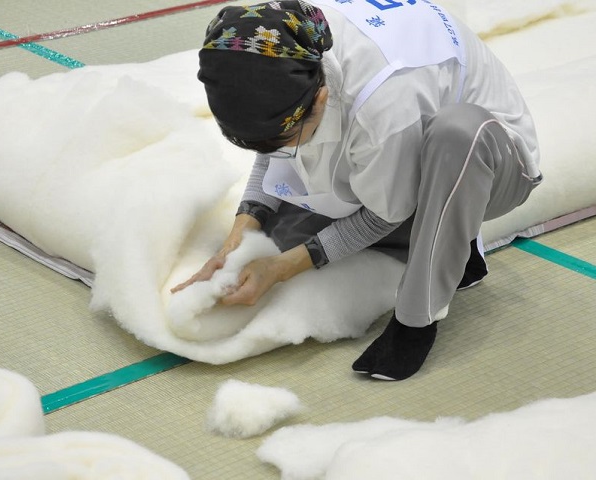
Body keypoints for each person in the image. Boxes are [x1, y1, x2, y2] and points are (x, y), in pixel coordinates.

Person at [172, 0, 542, 380]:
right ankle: (449, 249)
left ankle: (419, 318)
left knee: (456, 134)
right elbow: (270, 142)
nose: (276, 148)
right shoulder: (280, 45)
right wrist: (242, 230)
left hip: (491, 160)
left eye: (285, 136)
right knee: (285, 239)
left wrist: (282, 268)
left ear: (319, 99)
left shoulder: (385, 99)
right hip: (399, 133)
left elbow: (385, 213)